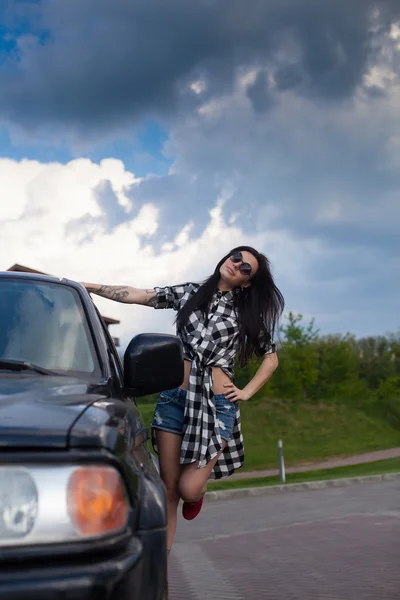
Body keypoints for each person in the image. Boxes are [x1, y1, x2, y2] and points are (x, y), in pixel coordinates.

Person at [81, 245, 284, 558]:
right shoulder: (190, 293)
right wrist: (86, 287)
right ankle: (160, 567)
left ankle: (198, 494)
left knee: (189, 489)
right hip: (175, 400)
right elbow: (141, 295)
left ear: (246, 283)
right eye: (236, 258)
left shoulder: (246, 315)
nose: (238, 265)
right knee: (169, 489)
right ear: (226, 258)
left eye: (247, 269)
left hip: (217, 406)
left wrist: (246, 392)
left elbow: (270, 359)